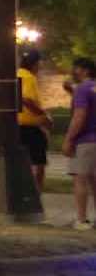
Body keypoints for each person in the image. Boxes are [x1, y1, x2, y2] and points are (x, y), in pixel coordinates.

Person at [62, 57, 96, 230]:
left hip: (85, 140)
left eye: (76, 68)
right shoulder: (91, 88)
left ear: (85, 70)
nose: (73, 71)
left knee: (80, 179)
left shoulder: (82, 89)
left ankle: (82, 220)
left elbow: (80, 116)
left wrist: (69, 139)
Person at [18, 49, 52, 192]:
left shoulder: (17, 74)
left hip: (16, 127)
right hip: (29, 127)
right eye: (39, 64)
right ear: (35, 64)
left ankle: (24, 191)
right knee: (38, 163)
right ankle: (36, 192)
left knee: (21, 162)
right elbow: (26, 99)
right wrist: (44, 115)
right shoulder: (28, 77)